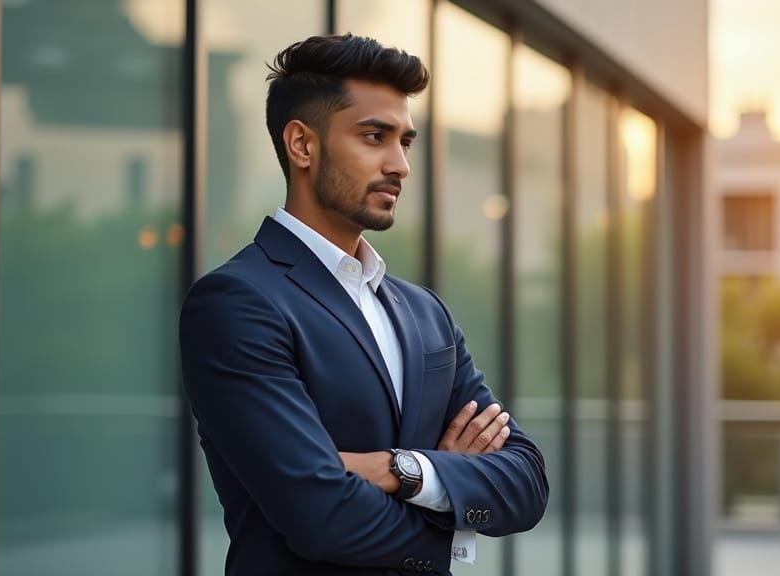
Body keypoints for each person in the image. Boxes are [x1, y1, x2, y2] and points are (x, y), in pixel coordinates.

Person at [179, 34, 548, 575]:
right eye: (374, 136)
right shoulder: (238, 302)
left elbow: (526, 482)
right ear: (302, 145)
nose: (399, 164)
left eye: (405, 141)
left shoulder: (424, 312)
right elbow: (319, 514)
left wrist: (400, 470)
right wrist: (448, 498)